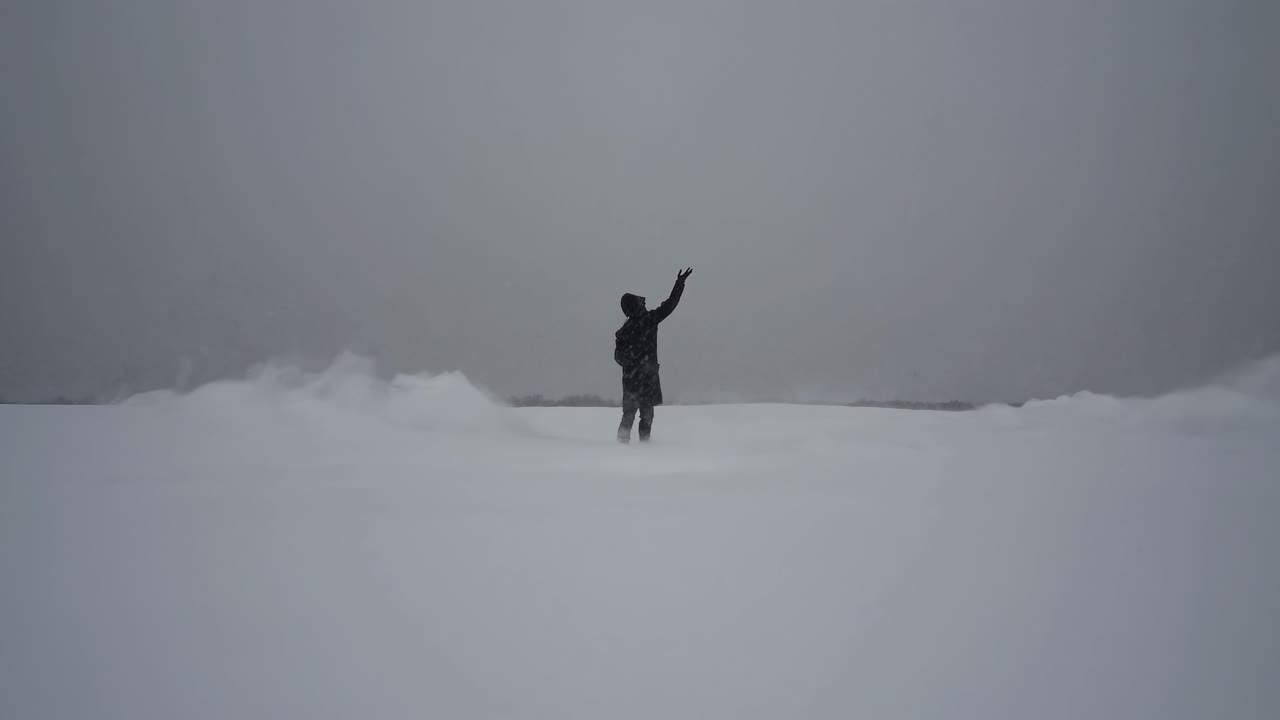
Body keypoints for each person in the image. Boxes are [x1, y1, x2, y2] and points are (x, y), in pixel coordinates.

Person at [614, 268, 693, 443]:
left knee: (633, 417)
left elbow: (618, 357)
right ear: (635, 306)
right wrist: (679, 284)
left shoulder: (626, 330)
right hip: (642, 379)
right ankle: (637, 448)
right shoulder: (647, 321)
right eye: (640, 301)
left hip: (635, 380)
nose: (644, 301)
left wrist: (679, 283)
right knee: (643, 417)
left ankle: (628, 448)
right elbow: (670, 305)